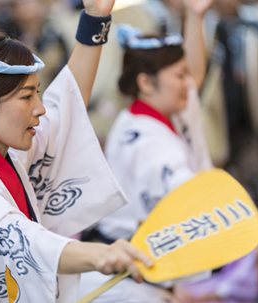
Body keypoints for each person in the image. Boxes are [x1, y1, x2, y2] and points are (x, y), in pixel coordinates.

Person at [0, 0, 153, 302]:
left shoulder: (4, 152)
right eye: (27, 97)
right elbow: (25, 241)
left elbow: (67, 103)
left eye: (36, 93)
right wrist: (100, 255)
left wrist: (95, 16)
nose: (39, 108)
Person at [78, 0, 215, 302]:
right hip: (123, 281)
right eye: (179, 75)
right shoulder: (144, 140)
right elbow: (187, 198)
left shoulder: (159, 112)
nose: (188, 84)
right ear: (145, 82)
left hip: (141, 275)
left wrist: (195, 16)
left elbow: (195, 77)